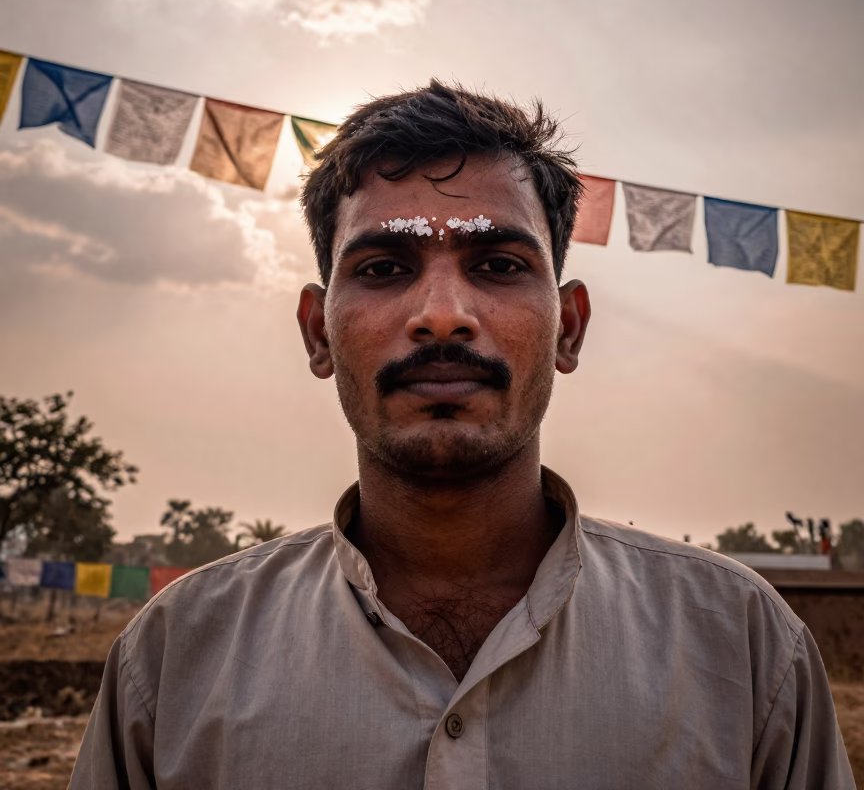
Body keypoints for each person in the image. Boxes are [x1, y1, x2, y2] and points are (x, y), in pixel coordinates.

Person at [70, 81, 854, 789]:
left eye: (498, 264)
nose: (442, 313)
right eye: (382, 268)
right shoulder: (175, 658)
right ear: (317, 334)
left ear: (568, 330)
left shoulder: (742, 650)